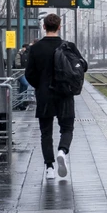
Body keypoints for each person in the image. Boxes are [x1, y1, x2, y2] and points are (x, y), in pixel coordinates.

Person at [25, 14, 87, 181]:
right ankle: (62, 150)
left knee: (46, 133)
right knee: (67, 129)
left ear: (44, 27)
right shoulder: (68, 46)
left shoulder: (35, 48)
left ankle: (50, 168)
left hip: (44, 96)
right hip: (65, 94)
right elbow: (81, 67)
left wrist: (40, 85)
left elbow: (29, 74)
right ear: (59, 27)